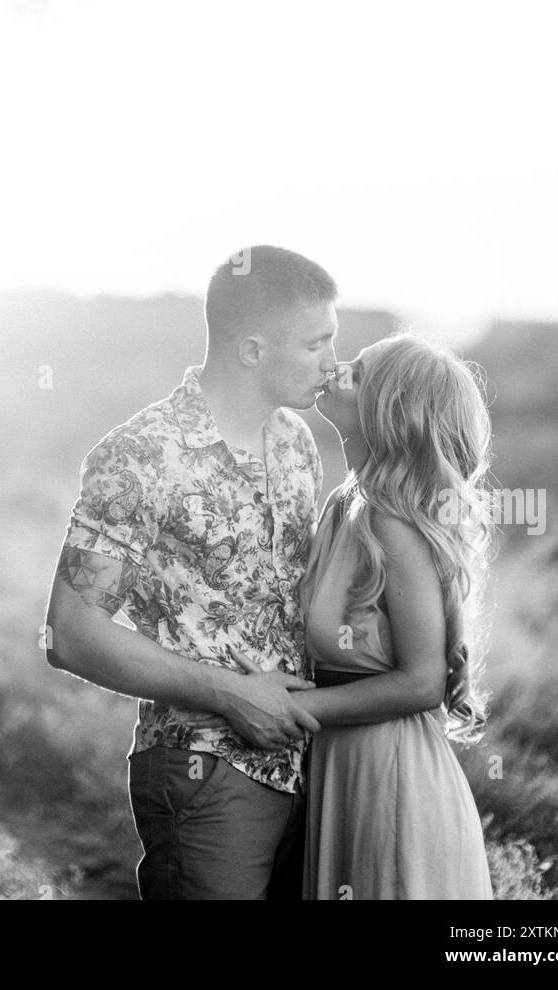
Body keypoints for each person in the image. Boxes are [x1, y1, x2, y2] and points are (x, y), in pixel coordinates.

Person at [43, 245, 342, 900]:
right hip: (205, 768)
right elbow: (69, 633)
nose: (332, 363)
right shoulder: (141, 456)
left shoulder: (294, 444)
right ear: (253, 350)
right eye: (316, 345)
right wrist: (229, 693)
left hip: (308, 768)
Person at [234, 333, 494, 900]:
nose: (336, 367)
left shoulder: (390, 523)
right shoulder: (343, 503)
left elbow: (423, 682)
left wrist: (283, 708)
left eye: (359, 370)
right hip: (342, 764)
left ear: (392, 409)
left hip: (391, 777)